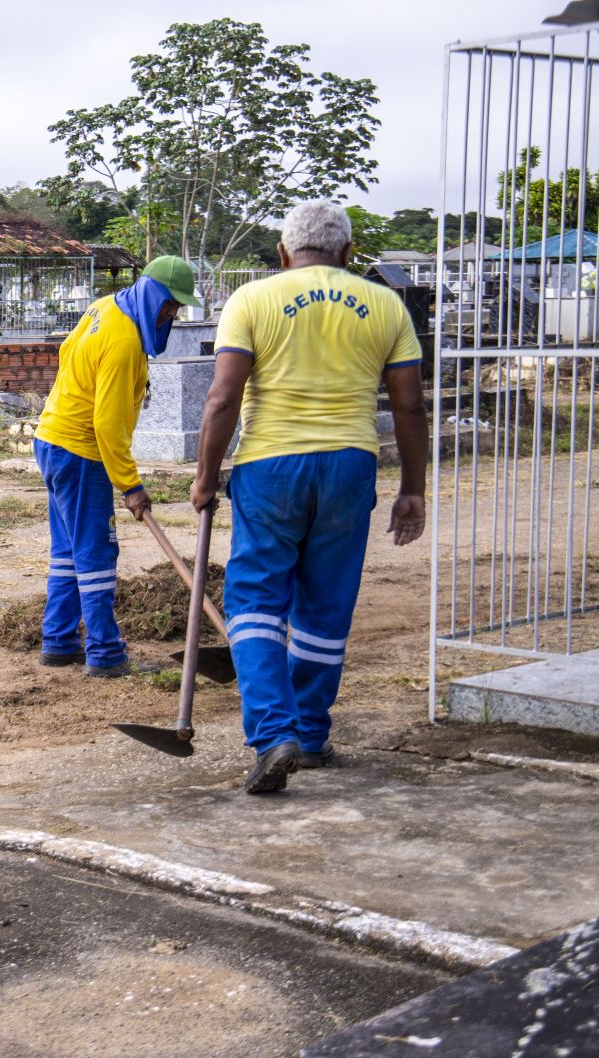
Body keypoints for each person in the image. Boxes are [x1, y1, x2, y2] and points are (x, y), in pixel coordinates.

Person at [191, 200, 428, 794]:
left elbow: (222, 399)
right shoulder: (385, 304)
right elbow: (409, 406)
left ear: (282, 253)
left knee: (254, 600)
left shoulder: (252, 300)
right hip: (351, 465)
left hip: (271, 465)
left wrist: (203, 477)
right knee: (325, 605)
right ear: (348, 253)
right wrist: (413, 489)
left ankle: (275, 734)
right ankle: (312, 734)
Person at [32, 257, 200, 677]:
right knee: (96, 552)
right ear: (154, 295)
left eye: (177, 308)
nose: (173, 315)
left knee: (68, 551)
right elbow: (106, 423)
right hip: (81, 452)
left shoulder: (105, 306)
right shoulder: (125, 340)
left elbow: (68, 351)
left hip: (51, 440)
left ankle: (58, 641)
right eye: (170, 305)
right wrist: (130, 485)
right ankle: (106, 653)